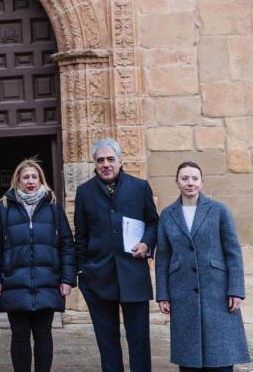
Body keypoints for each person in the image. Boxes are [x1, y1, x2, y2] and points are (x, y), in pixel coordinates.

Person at [74, 138, 159, 372]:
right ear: (94, 163)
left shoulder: (140, 187)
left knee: (139, 339)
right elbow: (80, 236)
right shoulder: (84, 192)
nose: (106, 164)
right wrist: (82, 272)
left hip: (133, 274)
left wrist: (146, 243)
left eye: (110, 159)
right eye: (100, 160)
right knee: (107, 341)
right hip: (98, 277)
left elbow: (153, 223)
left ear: (120, 161)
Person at [156, 162, 250, 372]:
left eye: (194, 178)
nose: (190, 183)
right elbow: (162, 256)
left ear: (202, 182)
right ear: (177, 182)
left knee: (221, 355)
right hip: (182, 292)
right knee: (189, 359)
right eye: (185, 178)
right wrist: (163, 294)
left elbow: (233, 252)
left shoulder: (218, 210)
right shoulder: (168, 214)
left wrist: (236, 290)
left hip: (216, 290)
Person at [0, 159, 75, 372]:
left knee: (44, 335)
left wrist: (67, 279)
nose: (31, 181)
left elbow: (66, 244)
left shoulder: (53, 206)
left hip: (47, 281)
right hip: (14, 281)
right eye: (26, 177)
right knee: (19, 336)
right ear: (18, 179)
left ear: (41, 179)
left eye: (34, 177)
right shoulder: (3, 207)